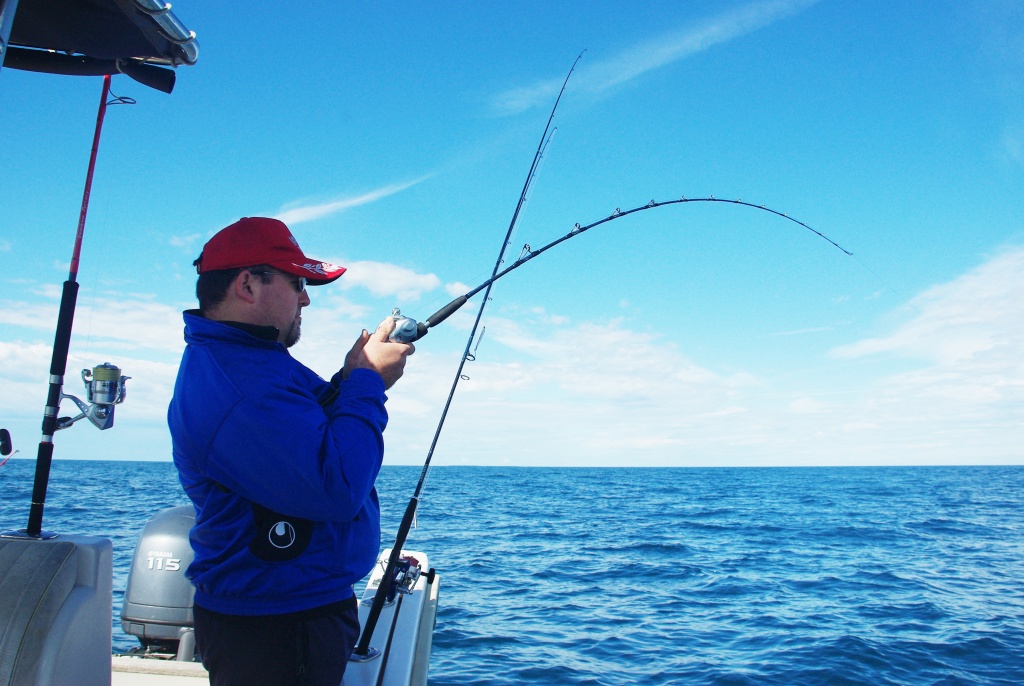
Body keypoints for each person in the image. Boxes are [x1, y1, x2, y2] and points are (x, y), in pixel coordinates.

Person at [168, 217, 414, 686]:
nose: (305, 297)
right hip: (277, 628)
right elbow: (336, 486)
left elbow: (310, 429)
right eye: (298, 282)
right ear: (247, 284)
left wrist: (352, 375)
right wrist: (367, 383)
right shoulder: (237, 384)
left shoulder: (252, 362)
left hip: (288, 615)